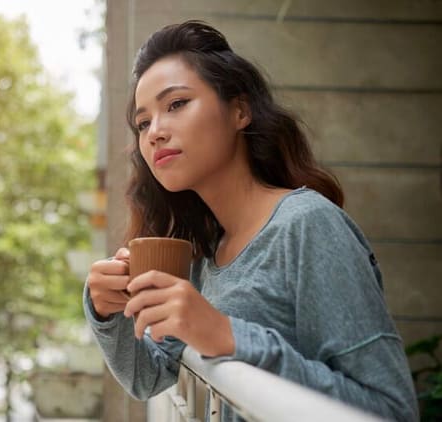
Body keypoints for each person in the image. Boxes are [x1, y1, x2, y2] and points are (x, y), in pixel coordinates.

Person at [83, 20, 418, 421]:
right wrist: (106, 312)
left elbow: (392, 409)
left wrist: (229, 337)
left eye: (176, 104)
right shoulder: (207, 254)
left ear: (239, 110)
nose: (154, 132)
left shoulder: (308, 225)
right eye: (142, 122)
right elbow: (150, 378)